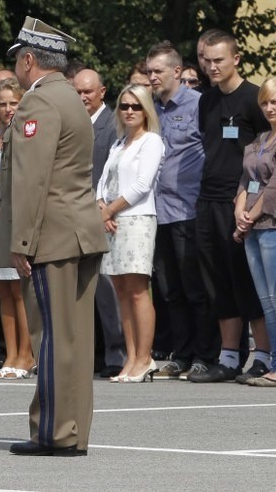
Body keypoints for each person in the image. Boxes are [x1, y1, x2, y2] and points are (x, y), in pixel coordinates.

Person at [0, 16, 108, 456]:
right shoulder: (69, 98)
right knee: (74, 339)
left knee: (53, 337)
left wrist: (21, 242)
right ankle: (72, 430)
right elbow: (38, 170)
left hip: (52, 236)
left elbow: (33, 178)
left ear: (27, 60)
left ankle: (53, 433)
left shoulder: (37, 103)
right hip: (77, 232)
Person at [190, 30, 269, 384]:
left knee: (247, 280)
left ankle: (264, 354)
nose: (211, 67)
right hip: (208, 199)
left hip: (242, 202)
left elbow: (270, 155)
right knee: (217, 280)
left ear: (236, 58)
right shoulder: (205, 100)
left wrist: (251, 200)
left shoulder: (254, 99)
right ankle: (228, 356)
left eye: (218, 60)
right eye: (206, 60)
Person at [145, 42, 216, 381]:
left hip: (188, 208)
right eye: (149, 72)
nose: (152, 77)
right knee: (169, 289)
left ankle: (205, 354)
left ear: (177, 71)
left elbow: (213, 151)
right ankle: (181, 353)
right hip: (157, 211)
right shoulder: (150, 108)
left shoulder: (199, 104)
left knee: (195, 288)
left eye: (157, 71)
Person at [233, 77, 276, 387]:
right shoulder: (259, 139)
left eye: (275, 101)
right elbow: (246, 182)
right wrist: (239, 211)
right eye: (264, 102)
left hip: (275, 225)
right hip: (252, 226)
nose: (269, 107)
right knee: (265, 299)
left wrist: (251, 214)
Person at [96, 84, 164, 383]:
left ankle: (145, 358)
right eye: (124, 106)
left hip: (136, 219)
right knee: (120, 290)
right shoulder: (119, 143)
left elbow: (141, 185)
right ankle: (131, 356)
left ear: (146, 109)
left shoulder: (151, 142)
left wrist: (110, 210)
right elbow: (102, 181)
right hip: (111, 220)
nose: (129, 111)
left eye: (136, 106)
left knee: (137, 290)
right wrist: (101, 207)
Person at [0, 77, 34, 379]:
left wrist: (0, 211)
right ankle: (10, 354)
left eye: (14, 102)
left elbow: (23, 181)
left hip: (12, 218)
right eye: (2, 103)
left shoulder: (26, 135)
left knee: (19, 290)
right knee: (1, 291)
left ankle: (26, 355)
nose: (8, 108)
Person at [72, 68, 125, 378]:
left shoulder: (113, 124)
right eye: (77, 92)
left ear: (102, 92)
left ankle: (116, 354)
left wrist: (106, 209)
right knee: (83, 291)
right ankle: (90, 354)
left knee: (108, 291)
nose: (82, 97)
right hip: (75, 217)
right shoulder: (73, 123)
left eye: (88, 92)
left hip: (105, 216)